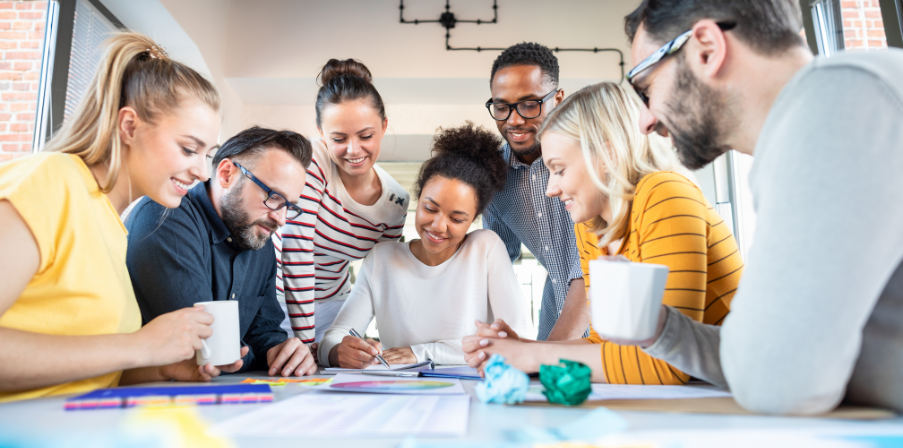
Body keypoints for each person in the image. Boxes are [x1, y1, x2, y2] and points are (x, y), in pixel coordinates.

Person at [619, 0, 903, 414]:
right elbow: (767, 354)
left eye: (645, 88)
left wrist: (779, 365)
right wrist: (658, 328)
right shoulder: (841, 99)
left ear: (707, 49)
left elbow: (778, 382)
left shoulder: (836, 103)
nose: (645, 120)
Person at [0, 32, 234, 403]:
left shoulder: (110, 223)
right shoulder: (52, 180)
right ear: (129, 126)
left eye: (208, 154)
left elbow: (77, 369)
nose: (202, 173)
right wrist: (139, 346)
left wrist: (159, 366)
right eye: (189, 149)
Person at [463, 82, 744, 383]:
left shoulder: (665, 193)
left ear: (606, 155)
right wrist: (520, 349)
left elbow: (668, 363)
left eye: (558, 169)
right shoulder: (590, 226)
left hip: (748, 390)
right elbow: (603, 345)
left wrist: (532, 357)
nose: (550, 189)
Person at [319, 123, 530, 368]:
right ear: (418, 200)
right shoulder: (382, 259)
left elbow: (517, 340)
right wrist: (338, 352)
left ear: (472, 220)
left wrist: (422, 352)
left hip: (469, 393)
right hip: (401, 393)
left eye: (457, 218)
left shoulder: (485, 248)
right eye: (430, 208)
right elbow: (332, 339)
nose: (439, 226)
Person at [126, 127, 318, 377]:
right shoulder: (164, 216)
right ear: (227, 174)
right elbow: (205, 351)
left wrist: (282, 352)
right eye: (273, 197)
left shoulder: (259, 239)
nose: (281, 219)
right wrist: (254, 354)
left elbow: (264, 332)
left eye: (289, 206)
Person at [275, 59, 409, 349]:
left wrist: (394, 343)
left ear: (384, 126)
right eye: (339, 138)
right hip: (275, 300)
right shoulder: (313, 157)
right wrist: (306, 343)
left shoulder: (395, 203)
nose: (353, 150)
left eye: (366, 136)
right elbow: (296, 246)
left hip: (334, 308)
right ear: (321, 133)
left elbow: (380, 277)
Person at [482, 42, 587, 341]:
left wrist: (549, 352)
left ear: (559, 99)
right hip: (555, 317)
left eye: (530, 104)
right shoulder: (494, 178)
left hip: (613, 317)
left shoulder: (589, 158)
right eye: (502, 107)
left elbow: (593, 269)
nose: (514, 120)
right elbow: (495, 263)